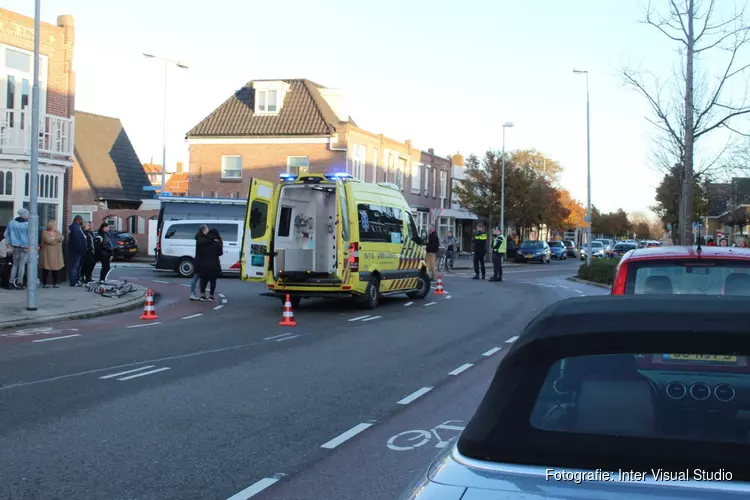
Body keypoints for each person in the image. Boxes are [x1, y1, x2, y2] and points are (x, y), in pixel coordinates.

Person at [4, 208, 30, 289]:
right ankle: (19, 283)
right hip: (25, 247)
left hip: (15, 246)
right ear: (25, 215)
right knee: (22, 265)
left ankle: (10, 283)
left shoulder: (11, 223)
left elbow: (6, 234)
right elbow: (31, 236)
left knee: (14, 265)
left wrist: (10, 243)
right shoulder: (28, 224)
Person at [196, 227, 223, 301]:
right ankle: (211, 295)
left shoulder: (205, 240)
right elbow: (220, 253)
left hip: (204, 263)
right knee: (213, 280)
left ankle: (202, 294)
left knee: (203, 280)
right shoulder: (218, 241)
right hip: (214, 263)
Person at [40, 220, 64, 288]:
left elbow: (62, 238)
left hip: (56, 254)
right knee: (46, 269)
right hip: (47, 254)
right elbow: (48, 240)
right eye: (55, 225)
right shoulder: (45, 233)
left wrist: (54, 238)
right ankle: (45, 283)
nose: (56, 227)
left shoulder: (57, 232)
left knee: (55, 269)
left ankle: (55, 283)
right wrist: (56, 239)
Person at [190, 225, 209, 301]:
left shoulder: (200, 237)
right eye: (207, 229)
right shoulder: (200, 238)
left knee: (201, 278)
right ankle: (192, 293)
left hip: (201, 261)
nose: (208, 231)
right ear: (204, 230)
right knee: (196, 278)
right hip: (199, 261)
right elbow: (203, 242)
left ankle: (201, 294)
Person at [67, 215, 87, 286]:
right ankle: (73, 281)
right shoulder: (75, 228)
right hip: (76, 251)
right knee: (74, 266)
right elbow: (78, 239)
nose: (81, 222)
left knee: (76, 266)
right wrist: (81, 248)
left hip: (78, 250)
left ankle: (75, 280)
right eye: (81, 220)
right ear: (78, 220)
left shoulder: (77, 227)